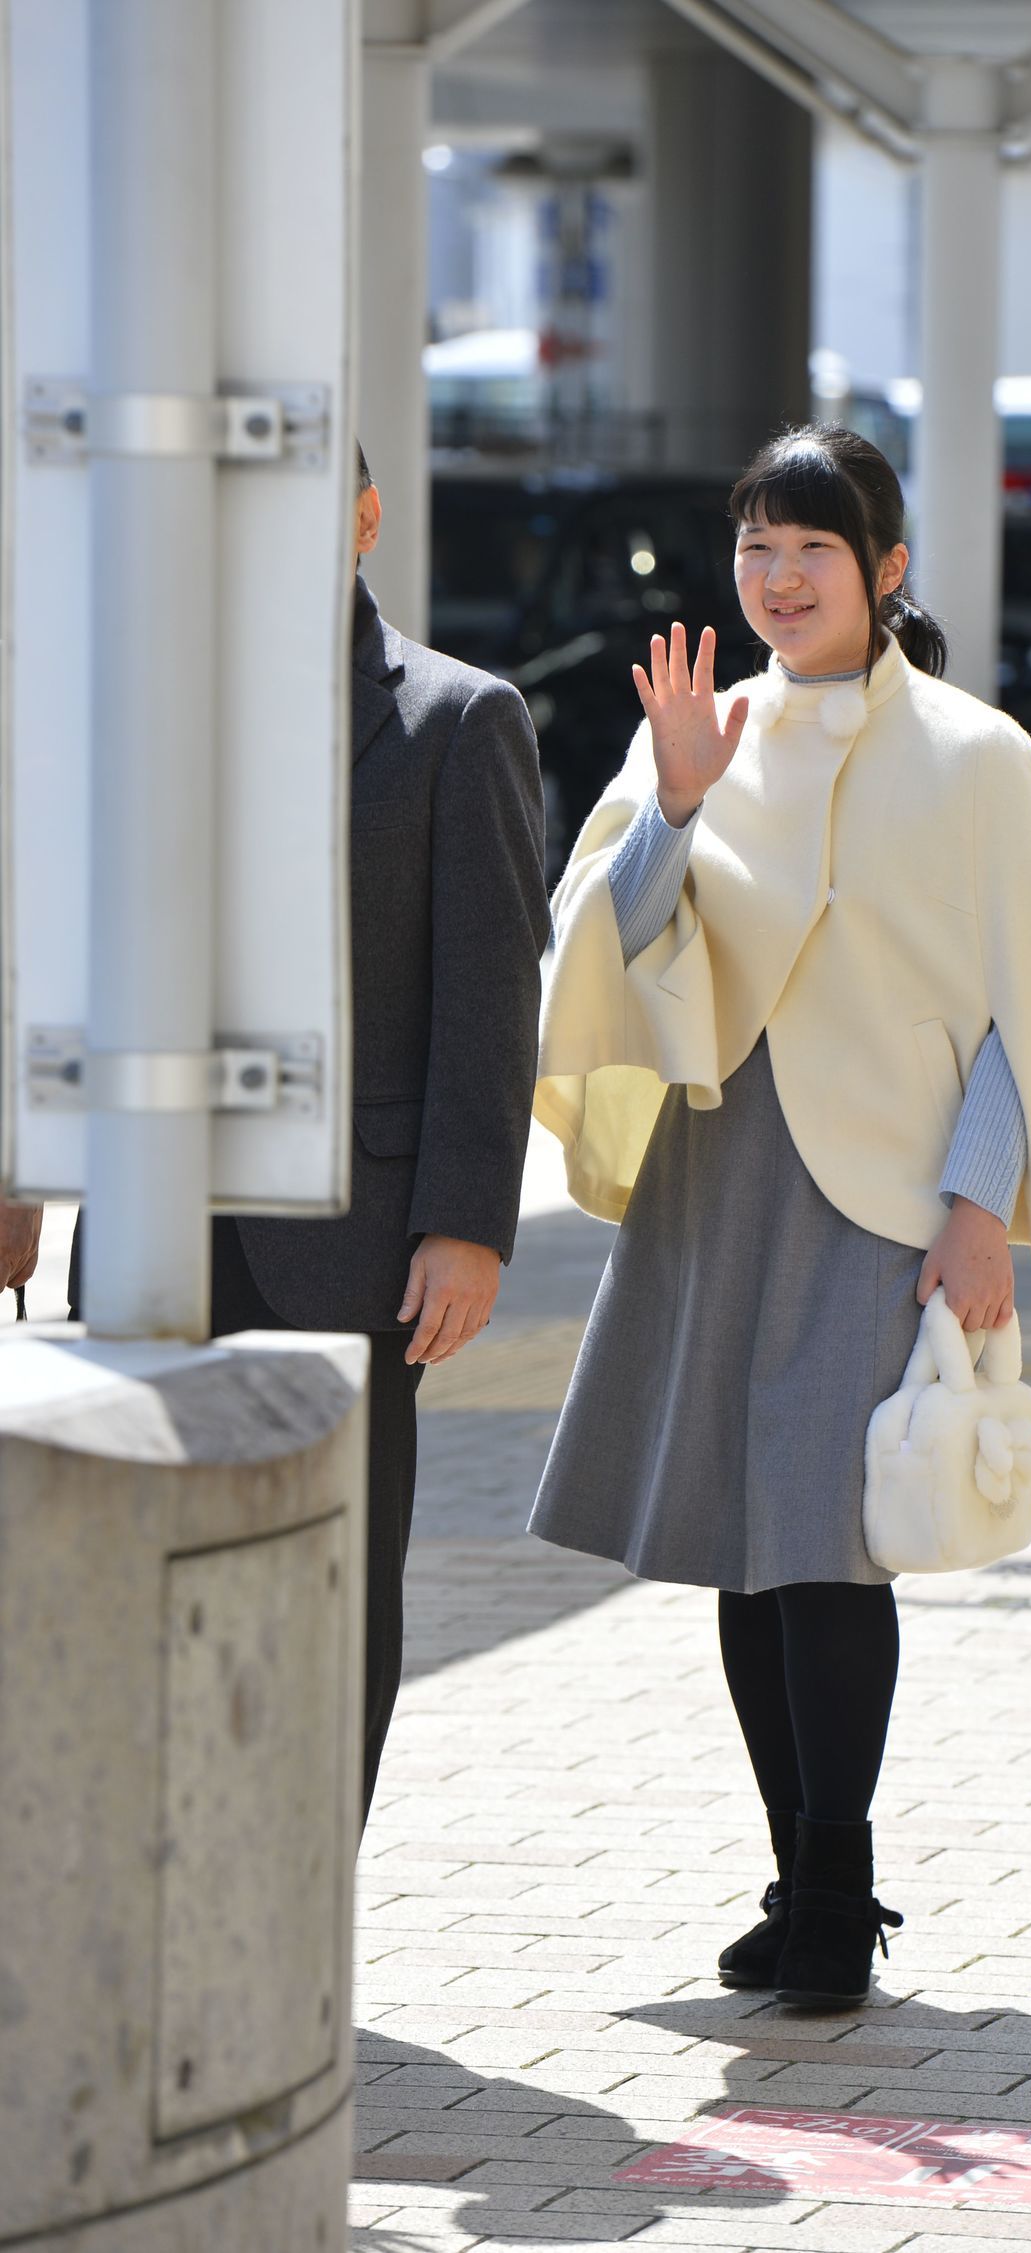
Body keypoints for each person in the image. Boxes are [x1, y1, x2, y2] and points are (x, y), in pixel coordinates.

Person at [529, 424, 1031, 2009]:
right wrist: (675, 804)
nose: (779, 575)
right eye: (757, 546)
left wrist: (981, 1202)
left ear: (885, 568)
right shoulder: (702, 732)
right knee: (745, 1548)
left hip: (881, 1195)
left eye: (812, 546)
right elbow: (609, 946)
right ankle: (797, 1876)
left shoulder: (976, 756)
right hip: (716, 1177)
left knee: (830, 1549)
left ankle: (839, 1891)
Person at [72, 445, 550, 1823]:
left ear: (365, 516)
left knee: (329, 1588)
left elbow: (489, 992)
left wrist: (466, 1223)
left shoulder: (459, 718)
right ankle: (166, 1878)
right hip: (152, 1221)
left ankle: (300, 1900)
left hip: (354, 1243)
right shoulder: (148, 705)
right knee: (132, 1567)